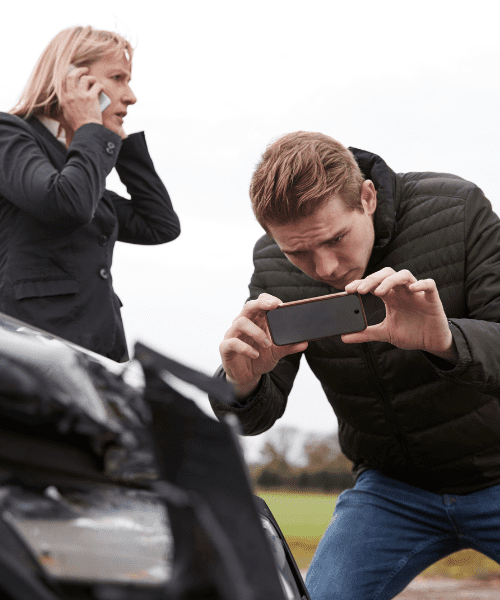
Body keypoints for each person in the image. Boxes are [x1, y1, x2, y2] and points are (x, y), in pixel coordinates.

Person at [210, 131, 500, 599]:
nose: (323, 267)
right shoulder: (273, 267)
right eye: (297, 252)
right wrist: (242, 385)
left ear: (366, 196)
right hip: (391, 491)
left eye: (335, 239)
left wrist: (448, 341)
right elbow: (253, 416)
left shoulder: (458, 209)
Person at [0, 26, 180, 362]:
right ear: (71, 79)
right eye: (118, 77)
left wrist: (121, 146)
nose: (131, 95)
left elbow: (160, 225)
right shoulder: (3, 133)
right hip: (29, 348)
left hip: (102, 351)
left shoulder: (80, 165)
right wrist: (89, 128)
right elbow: (67, 204)